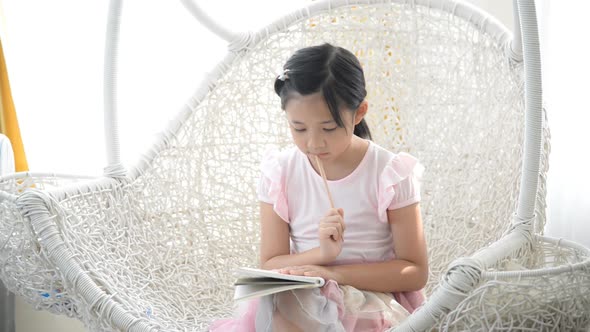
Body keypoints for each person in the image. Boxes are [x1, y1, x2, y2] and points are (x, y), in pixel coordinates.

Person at [211, 43, 428, 331]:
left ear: (359, 112)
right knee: (284, 304)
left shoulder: (389, 173)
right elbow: (271, 263)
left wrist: (332, 273)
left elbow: (414, 272)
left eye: (328, 128)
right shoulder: (281, 172)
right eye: (298, 128)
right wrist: (321, 256)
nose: (313, 143)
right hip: (302, 294)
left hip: (371, 296)